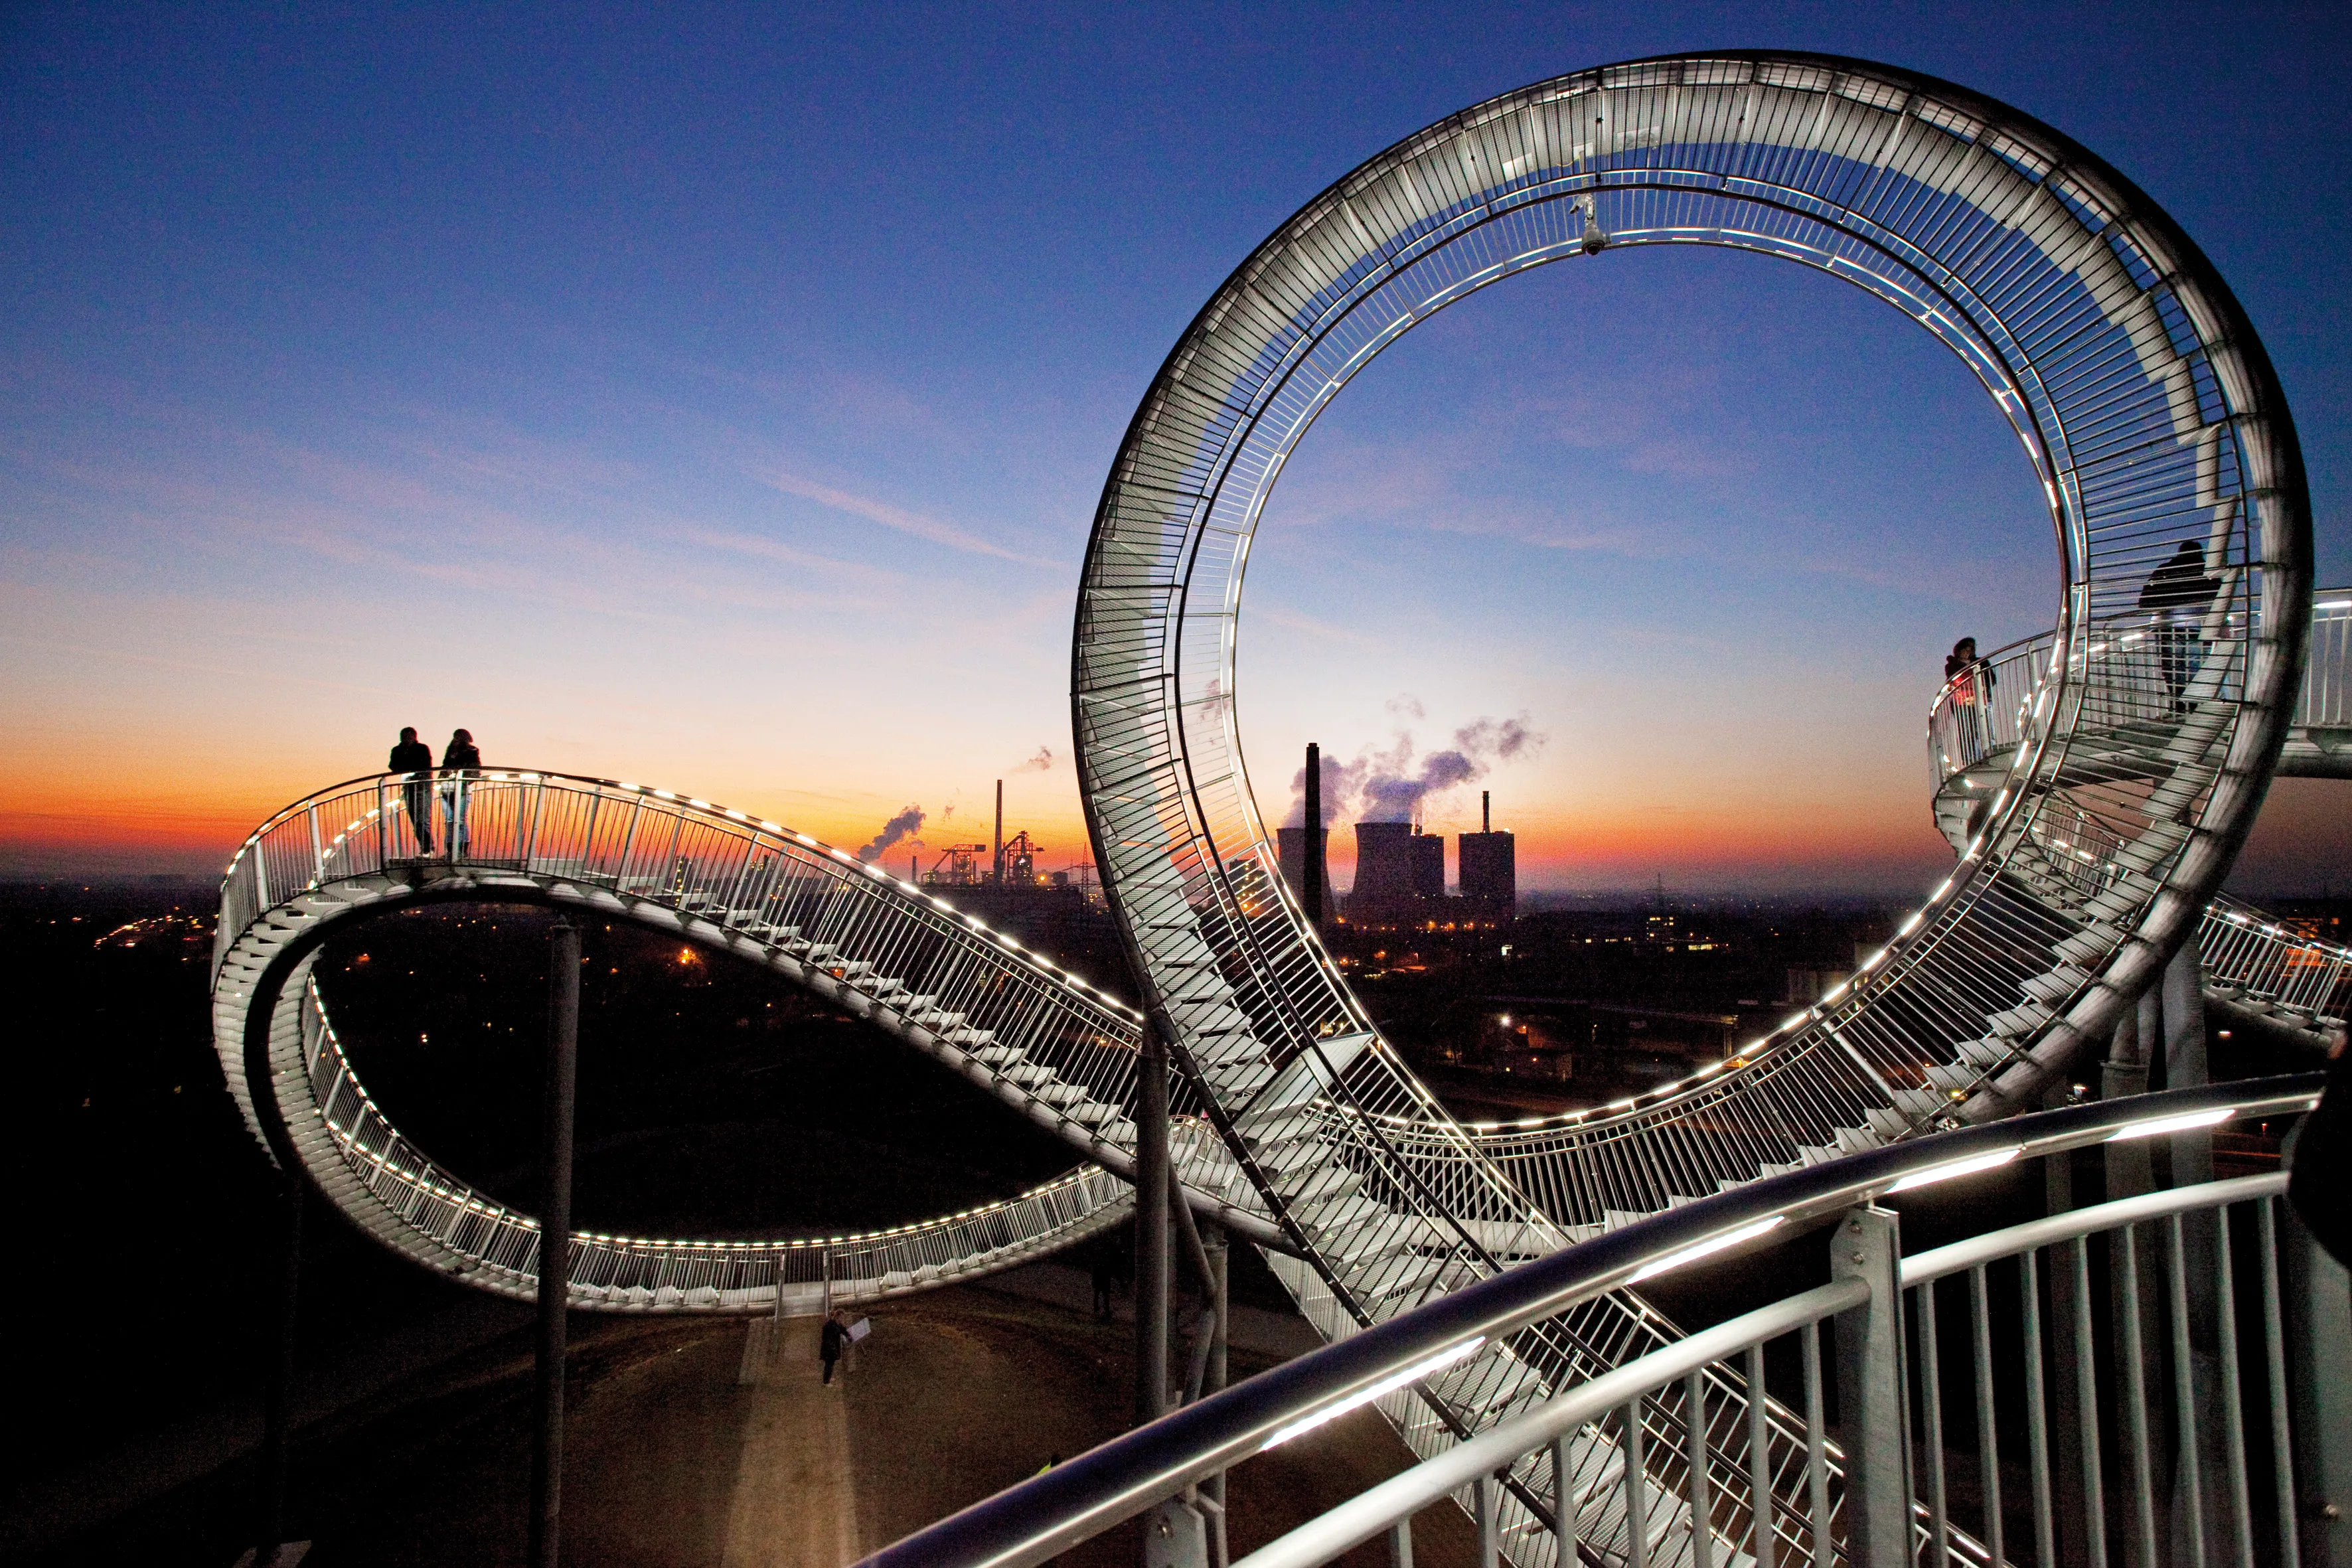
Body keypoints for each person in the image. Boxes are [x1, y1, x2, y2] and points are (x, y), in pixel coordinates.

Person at [2139, 539, 2219, 712]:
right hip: (2197, 624)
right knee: (2193, 667)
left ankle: (2179, 704)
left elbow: (2144, 600)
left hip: (2167, 624)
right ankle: (2192, 704)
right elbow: (2217, 595)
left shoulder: (2165, 571)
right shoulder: (2207, 572)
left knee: (2172, 667)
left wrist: (2169, 599)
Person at [1944, 638, 1995, 763]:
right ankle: (1971, 759)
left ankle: (1989, 755)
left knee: (1986, 729)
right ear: (1958, 650)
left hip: (1981, 699)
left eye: (1970, 649)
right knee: (1967, 731)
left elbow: (1991, 679)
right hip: (1962, 702)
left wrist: (1982, 689)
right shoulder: (1952, 665)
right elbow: (1952, 681)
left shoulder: (1982, 662)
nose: (1967, 652)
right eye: (1964, 650)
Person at [389, 727, 433, 854]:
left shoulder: (422, 749)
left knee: (422, 819)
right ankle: (426, 847)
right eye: (404, 737)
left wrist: (410, 770)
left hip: (422, 786)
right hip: (409, 787)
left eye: (409, 737)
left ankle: (428, 848)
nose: (406, 739)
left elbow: (425, 765)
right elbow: (393, 766)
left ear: (414, 737)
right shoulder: (397, 750)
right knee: (415, 819)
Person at [438, 728, 481, 858]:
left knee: (460, 820)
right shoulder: (450, 751)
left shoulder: (471, 751)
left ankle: (462, 850)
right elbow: (445, 766)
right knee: (450, 820)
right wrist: (443, 778)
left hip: (461, 790)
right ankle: (451, 850)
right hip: (448, 789)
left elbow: (475, 771)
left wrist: (463, 780)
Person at [820, 1310, 848, 1384]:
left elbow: (844, 1331)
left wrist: (850, 1337)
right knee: (829, 1365)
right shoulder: (830, 1325)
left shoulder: (837, 1324)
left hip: (833, 1348)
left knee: (831, 1364)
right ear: (838, 1317)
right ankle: (826, 1382)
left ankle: (828, 1378)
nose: (843, 1319)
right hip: (829, 1349)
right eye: (842, 1318)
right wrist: (832, 1349)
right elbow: (827, 1338)